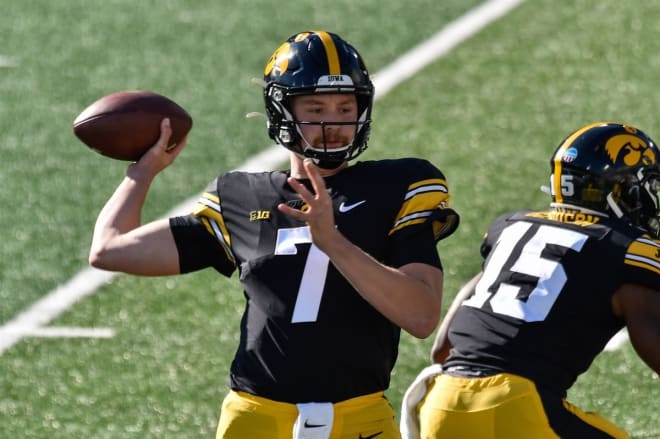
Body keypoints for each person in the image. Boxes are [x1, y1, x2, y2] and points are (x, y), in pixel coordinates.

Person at [88, 30, 459, 439]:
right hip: (254, 418)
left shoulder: (400, 183)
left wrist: (333, 241)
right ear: (281, 110)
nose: (332, 123)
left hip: (359, 417)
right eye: (315, 107)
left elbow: (422, 315)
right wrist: (142, 173)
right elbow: (109, 250)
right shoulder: (243, 195)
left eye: (344, 107)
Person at [400, 121, 660, 439]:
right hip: (515, 404)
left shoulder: (512, 229)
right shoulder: (625, 249)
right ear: (624, 190)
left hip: (442, 403)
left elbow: (443, 349)